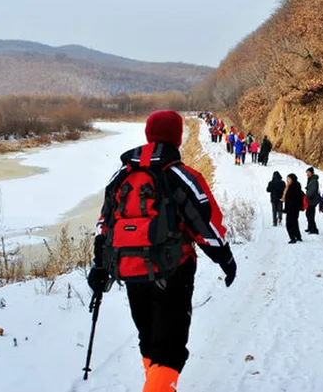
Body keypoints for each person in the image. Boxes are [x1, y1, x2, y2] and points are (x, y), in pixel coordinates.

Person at [87, 110, 237, 392]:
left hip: (130, 269)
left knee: (150, 339)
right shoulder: (180, 175)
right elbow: (205, 224)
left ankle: (157, 386)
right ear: (178, 138)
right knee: (171, 349)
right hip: (174, 271)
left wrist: (99, 265)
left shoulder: (122, 174)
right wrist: (225, 260)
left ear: (147, 135)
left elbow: (104, 223)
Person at [282, 173, 304, 244]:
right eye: (287, 179)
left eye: (288, 179)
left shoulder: (292, 187)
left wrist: (286, 208)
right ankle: (298, 236)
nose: (287, 180)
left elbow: (290, 199)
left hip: (291, 208)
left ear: (292, 179)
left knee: (289, 224)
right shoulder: (297, 186)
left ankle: (292, 238)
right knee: (295, 222)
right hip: (296, 208)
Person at [305, 167, 320, 234]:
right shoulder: (311, 179)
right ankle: (310, 227)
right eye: (306, 173)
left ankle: (314, 229)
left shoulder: (313, 180)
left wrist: (307, 195)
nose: (307, 174)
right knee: (309, 214)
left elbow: (312, 191)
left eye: (308, 173)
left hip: (312, 200)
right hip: (311, 200)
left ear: (311, 173)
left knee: (309, 214)